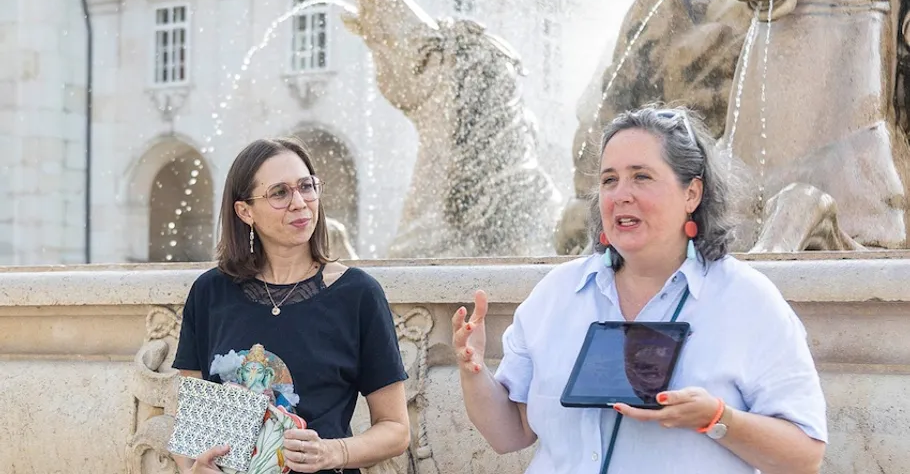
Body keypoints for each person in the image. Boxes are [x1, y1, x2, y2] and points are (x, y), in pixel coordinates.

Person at [452, 106, 827, 473]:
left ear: (692, 194)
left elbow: (804, 457)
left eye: (641, 177)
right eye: (609, 180)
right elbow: (510, 434)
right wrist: (473, 369)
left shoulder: (747, 301)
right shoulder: (556, 293)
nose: (621, 195)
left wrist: (716, 418)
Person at [171, 137, 410, 474]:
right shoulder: (209, 293)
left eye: (306, 187)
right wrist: (193, 470)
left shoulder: (358, 294)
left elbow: (396, 429)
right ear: (245, 211)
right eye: (280, 193)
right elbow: (190, 427)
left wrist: (333, 452)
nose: (299, 202)